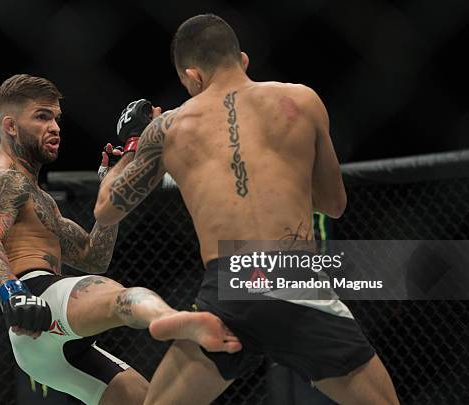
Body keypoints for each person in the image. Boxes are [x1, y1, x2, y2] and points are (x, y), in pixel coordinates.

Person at [95, 14, 400, 405]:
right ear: (243, 59)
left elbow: (105, 211)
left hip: (229, 288)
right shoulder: (302, 100)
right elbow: (334, 205)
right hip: (294, 275)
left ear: (192, 77)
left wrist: (135, 143)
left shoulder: (169, 127)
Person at [0, 74, 241, 405]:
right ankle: (170, 321)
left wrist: (112, 180)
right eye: (42, 116)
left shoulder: (40, 198)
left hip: (44, 346)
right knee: (119, 298)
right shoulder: (2, 179)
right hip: (36, 298)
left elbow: (92, 255)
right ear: (10, 126)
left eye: (56, 118)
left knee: (147, 401)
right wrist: (13, 293)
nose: (55, 127)